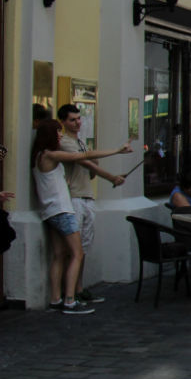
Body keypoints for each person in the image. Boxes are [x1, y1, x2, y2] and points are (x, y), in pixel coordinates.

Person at [31, 118, 132, 315]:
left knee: (59, 255)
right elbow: (84, 155)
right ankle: (70, 300)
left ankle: (55, 299)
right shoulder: (50, 154)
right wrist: (117, 151)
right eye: (57, 132)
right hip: (62, 210)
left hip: (49, 211)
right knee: (77, 254)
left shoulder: (38, 157)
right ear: (50, 135)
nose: (60, 135)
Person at [57, 104, 125, 306]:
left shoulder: (80, 141)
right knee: (74, 249)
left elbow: (91, 167)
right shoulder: (65, 142)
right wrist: (112, 176)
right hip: (75, 197)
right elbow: (85, 162)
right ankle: (71, 292)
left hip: (87, 196)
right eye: (72, 120)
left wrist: (98, 166)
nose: (77, 123)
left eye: (79, 119)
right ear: (63, 122)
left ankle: (79, 288)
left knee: (83, 247)